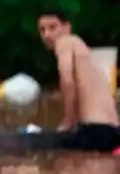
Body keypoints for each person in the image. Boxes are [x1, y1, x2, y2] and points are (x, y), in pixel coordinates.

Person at [37, 9, 120, 151]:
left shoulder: (65, 42)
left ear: (67, 27)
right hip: (113, 130)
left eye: (52, 27)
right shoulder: (84, 52)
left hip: (93, 129)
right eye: (42, 30)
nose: (47, 35)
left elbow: (67, 80)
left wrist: (68, 121)